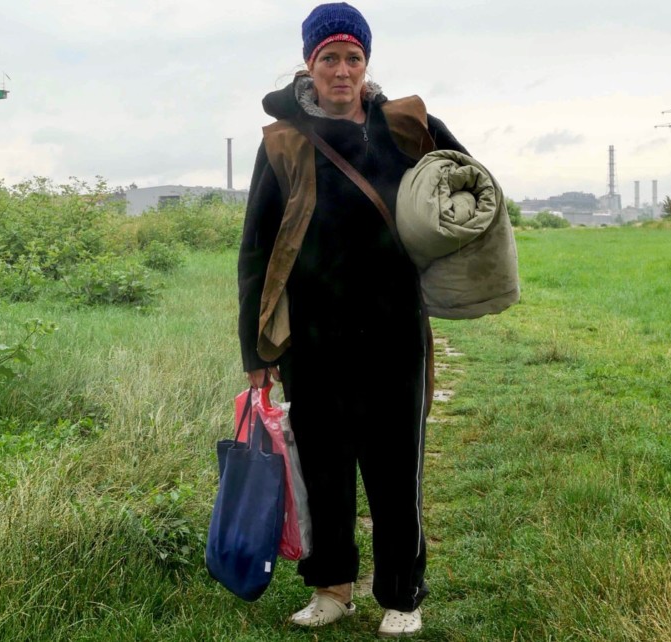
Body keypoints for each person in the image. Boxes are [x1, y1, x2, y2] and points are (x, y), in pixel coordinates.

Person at [237, 2, 468, 637]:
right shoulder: (283, 139)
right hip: (311, 335)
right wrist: (256, 352)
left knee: (396, 466)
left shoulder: (404, 126)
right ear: (310, 64)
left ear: (367, 64)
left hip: (394, 328)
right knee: (323, 465)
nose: (342, 70)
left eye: (353, 58)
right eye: (329, 58)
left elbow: (469, 186)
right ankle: (331, 588)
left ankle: (401, 594)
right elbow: (256, 248)